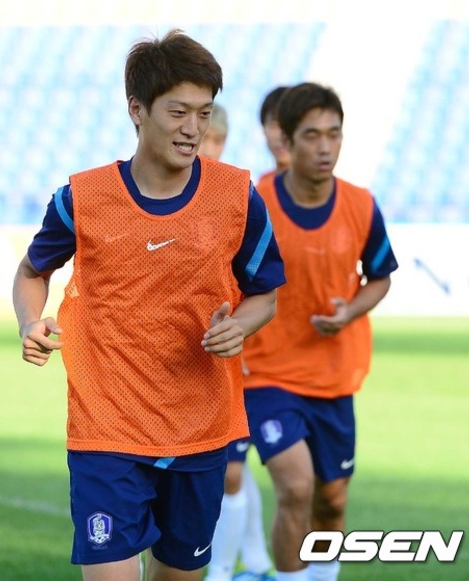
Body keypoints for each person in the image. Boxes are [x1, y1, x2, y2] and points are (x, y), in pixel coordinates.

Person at [12, 29, 286, 581]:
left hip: (200, 426)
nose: (193, 128)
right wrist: (29, 322)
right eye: (178, 112)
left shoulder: (237, 197)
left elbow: (265, 293)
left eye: (203, 113)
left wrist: (240, 326)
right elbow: (32, 271)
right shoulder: (82, 198)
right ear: (137, 110)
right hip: (106, 426)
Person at [242, 82, 398, 581]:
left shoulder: (361, 205)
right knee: (296, 487)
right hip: (266, 374)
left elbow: (380, 277)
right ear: (287, 141)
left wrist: (349, 312)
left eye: (334, 134)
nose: (325, 146)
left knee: (331, 501)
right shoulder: (254, 205)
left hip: (333, 377)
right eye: (312, 135)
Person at [201, 106, 274, 581]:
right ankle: (259, 559)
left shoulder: (237, 198)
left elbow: (263, 288)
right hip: (188, 359)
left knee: (231, 469)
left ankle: (224, 570)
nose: (207, 147)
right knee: (231, 468)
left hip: (235, 355)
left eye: (216, 139)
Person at [255, 86, 292, 190]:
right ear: (263, 129)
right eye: (274, 126)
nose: (282, 136)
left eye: (289, 125)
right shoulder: (259, 190)